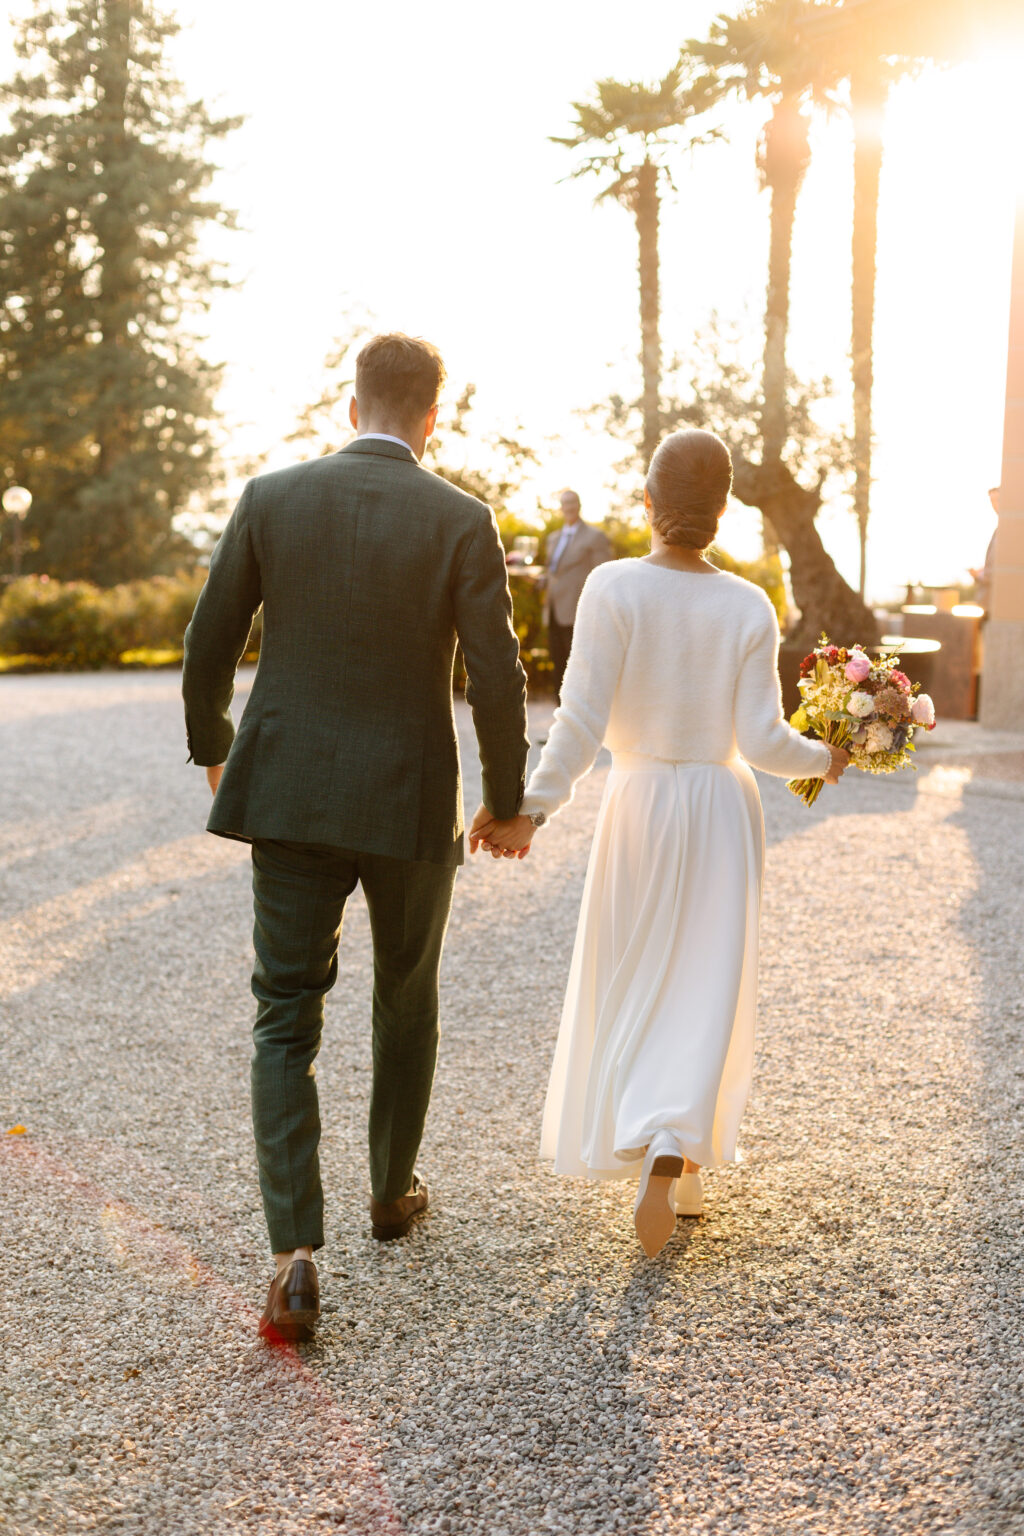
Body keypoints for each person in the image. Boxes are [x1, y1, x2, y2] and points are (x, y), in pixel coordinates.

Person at [182, 333, 530, 1342]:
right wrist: (506, 798)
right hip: (412, 799)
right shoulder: (461, 518)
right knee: (404, 994)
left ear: (350, 405)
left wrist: (216, 745)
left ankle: (294, 1257)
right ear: (432, 415)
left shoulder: (271, 497)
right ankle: (390, 1191)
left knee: (283, 1013)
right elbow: (498, 676)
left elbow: (210, 641)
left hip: (289, 793)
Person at [478, 429, 849, 1259]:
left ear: (649, 503)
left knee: (638, 976)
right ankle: (675, 1158)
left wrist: (529, 811)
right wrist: (830, 754)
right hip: (722, 806)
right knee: (705, 983)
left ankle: (657, 1147)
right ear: (721, 509)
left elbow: (577, 723)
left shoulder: (612, 589)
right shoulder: (748, 603)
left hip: (639, 801)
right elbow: (763, 740)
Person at [541, 489, 612, 700]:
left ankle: (578, 725)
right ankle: (559, 725)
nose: (569, 507)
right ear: (561, 507)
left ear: (579, 505)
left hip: (578, 612)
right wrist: (535, 579)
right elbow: (552, 574)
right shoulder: (553, 538)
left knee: (578, 671)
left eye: (572, 502)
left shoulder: (595, 537)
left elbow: (604, 574)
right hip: (554, 612)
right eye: (565, 503)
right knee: (558, 668)